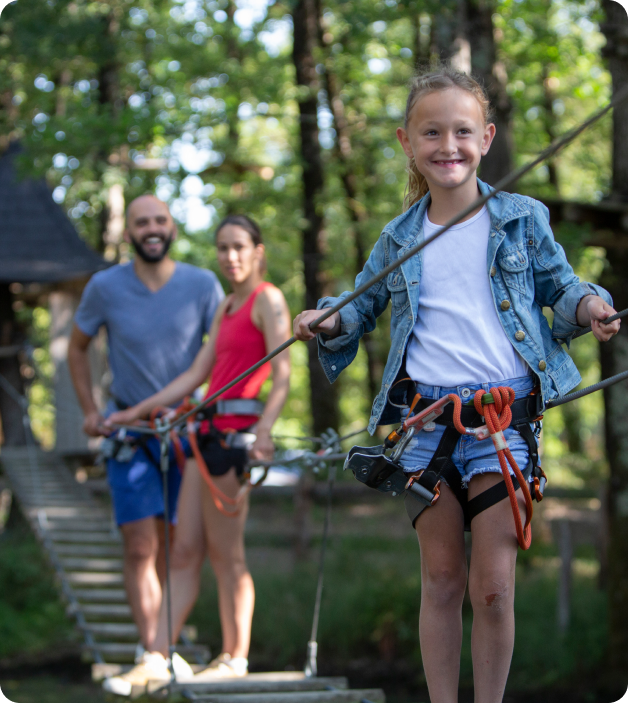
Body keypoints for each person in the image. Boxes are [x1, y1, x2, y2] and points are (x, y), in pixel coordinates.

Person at [293, 68, 620, 703]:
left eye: (463, 131)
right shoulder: (399, 238)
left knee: (492, 585)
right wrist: (326, 317)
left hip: (503, 424)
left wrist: (590, 308)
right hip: (425, 428)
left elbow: (563, 287)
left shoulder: (522, 218)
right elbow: (356, 308)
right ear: (407, 141)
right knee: (442, 579)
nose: (449, 145)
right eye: (432, 132)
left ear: (487, 137)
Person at [101, 214, 291, 694]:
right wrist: (137, 412)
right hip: (201, 442)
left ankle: (235, 657)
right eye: (222, 248)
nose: (230, 257)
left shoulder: (267, 299)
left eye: (239, 247)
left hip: (234, 443)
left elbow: (283, 373)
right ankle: (156, 656)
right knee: (184, 551)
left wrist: (265, 429)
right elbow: (194, 376)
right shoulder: (226, 306)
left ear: (258, 251)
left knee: (228, 556)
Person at [68, 195, 224, 681]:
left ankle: (163, 645)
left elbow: (223, 353)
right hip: (129, 435)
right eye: (142, 223)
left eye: (159, 220)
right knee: (140, 547)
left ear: (172, 226)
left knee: (177, 545)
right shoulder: (104, 287)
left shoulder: (203, 285)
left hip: (186, 435)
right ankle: (151, 651)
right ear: (130, 232)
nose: (152, 229)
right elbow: (77, 347)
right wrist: (91, 411)